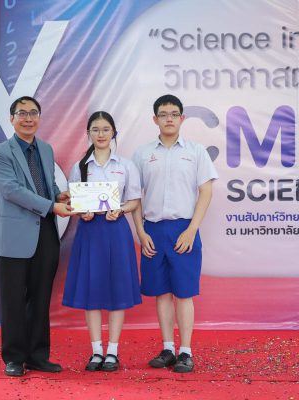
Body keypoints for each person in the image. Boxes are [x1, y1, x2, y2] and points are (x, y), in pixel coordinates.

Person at [132, 94, 218, 373]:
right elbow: (134, 196)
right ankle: (168, 348)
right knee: (161, 292)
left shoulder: (196, 151)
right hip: (153, 230)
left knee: (184, 293)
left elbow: (206, 191)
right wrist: (141, 232)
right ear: (154, 119)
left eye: (174, 114)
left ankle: (186, 352)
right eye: (163, 114)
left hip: (184, 230)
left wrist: (192, 229)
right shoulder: (142, 154)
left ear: (182, 118)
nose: (168, 118)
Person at [0, 96, 73, 377]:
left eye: (33, 113)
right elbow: (11, 190)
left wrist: (59, 196)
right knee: (13, 299)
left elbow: (46, 185)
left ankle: (38, 356)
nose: (28, 118)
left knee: (40, 298)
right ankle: (14, 357)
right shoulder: (0, 153)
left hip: (46, 232)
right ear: (11, 118)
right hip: (14, 235)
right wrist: (51, 206)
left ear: (39, 117)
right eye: (22, 113)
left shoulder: (46, 149)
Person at [62, 111, 142, 372]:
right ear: (88, 134)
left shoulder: (126, 165)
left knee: (118, 288)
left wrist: (121, 209)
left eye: (106, 129)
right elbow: (75, 201)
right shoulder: (80, 167)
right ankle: (96, 351)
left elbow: (134, 201)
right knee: (92, 289)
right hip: (89, 231)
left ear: (114, 133)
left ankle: (112, 352)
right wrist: (81, 212)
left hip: (116, 230)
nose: (101, 134)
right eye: (95, 129)